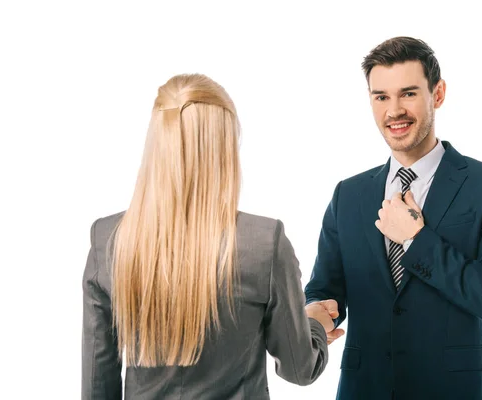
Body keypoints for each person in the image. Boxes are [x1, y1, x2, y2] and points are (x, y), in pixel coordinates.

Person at [81, 73, 334, 399]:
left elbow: (97, 384)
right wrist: (313, 322)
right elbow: (300, 369)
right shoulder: (264, 243)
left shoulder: (109, 239)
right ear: (224, 149)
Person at [305, 37, 482, 400]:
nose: (394, 111)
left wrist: (416, 240)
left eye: (408, 93)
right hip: (365, 390)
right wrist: (315, 309)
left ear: (437, 94)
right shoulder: (349, 194)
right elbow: (324, 289)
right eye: (381, 97)